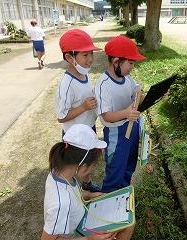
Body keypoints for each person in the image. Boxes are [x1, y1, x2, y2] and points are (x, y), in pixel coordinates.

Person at [41, 124, 135, 240]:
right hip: (76, 233)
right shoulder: (61, 205)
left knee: (127, 222)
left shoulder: (59, 172)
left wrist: (90, 195)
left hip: (82, 219)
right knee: (128, 225)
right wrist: (90, 239)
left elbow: (72, 194)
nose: (93, 169)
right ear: (83, 166)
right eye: (93, 166)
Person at [94, 35, 146, 193]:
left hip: (132, 128)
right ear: (116, 61)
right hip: (116, 133)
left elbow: (135, 98)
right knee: (115, 170)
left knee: (129, 165)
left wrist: (151, 95)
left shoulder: (127, 79)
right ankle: (108, 202)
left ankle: (122, 196)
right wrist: (125, 113)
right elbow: (106, 116)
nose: (132, 67)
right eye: (130, 63)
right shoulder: (103, 84)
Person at [55, 29, 100, 192]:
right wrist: (83, 107)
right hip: (74, 136)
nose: (90, 60)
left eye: (91, 54)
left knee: (87, 164)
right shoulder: (66, 84)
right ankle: (74, 192)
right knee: (75, 167)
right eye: (85, 55)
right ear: (69, 57)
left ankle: (87, 186)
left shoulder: (85, 75)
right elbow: (61, 117)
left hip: (88, 129)